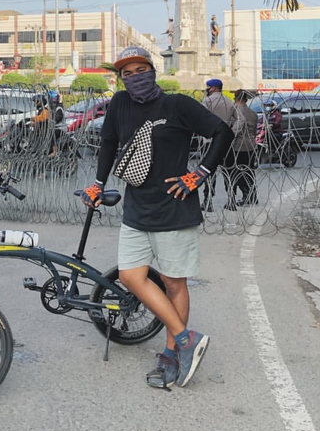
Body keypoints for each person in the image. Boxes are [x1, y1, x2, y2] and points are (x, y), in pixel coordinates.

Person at [80, 46, 233, 389]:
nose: (134, 78)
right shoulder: (119, 103)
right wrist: (97, 184)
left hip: (175, 208)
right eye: (127, 73)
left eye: (140, 70)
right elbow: (108, 144)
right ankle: (186, 338)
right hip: (136, 208)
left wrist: (200, 173)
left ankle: (171, 353)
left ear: (152, 71)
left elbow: (223, 133)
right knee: (131, 276)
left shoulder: (177, 105)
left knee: (173, 283)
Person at [201, 78, 237, 209]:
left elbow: (202, 118)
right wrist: (231, 133)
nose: (207, 89)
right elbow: (241, 120)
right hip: (226, 143)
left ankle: (208, 201)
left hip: (210, 141)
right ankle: (231, 200)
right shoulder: (229, 102)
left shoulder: (207, 101)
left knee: (208, 172)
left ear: (214, 88)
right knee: (229, 172)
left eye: (208, 87)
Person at [224, 90, 258, 207]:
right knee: (249, 170)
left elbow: (231, 127)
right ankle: (253, 195)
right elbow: (254, 131)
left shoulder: (234, 111)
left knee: (238, 171)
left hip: (238, 145)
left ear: (235, 98)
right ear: (246, 99)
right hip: (251, 144)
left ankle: (245, 194)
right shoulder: (253, 113)